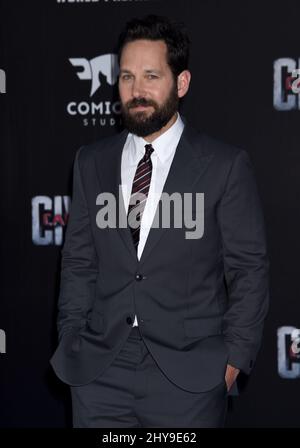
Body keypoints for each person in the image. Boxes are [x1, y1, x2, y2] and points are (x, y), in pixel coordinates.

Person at [50, 14, 269, 428]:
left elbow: (249, 270)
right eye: (128, 76)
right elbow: (79, 260)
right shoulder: (91, 162)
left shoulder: (224, 166)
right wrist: (72, 337)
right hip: (100, 371)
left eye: (151, 76)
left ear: (181, 83)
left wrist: (233, 359)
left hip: (189, 376)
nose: (137, 90)